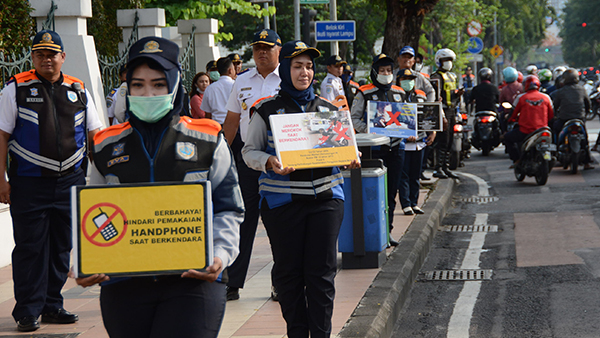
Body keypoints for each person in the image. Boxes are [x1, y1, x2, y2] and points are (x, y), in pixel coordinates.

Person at [76, 36, 244, 338]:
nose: (147, 93)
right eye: (138, 85)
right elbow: (90, 213)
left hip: (194, 282)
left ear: (175, 84)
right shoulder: (105, 146)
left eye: (158, 84)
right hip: (124, 286)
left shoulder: (207, 140)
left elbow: (229, 208)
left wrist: (219, 254)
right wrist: (84, 261)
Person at [242, 39, 360, 338]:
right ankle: (297, 332)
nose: (304, 72)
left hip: (326, 201)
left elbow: (346, 152)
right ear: (284, 69)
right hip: (282, 205)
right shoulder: (265, 110)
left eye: (308, 66)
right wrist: (269, 161)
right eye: (297, 66)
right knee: (289, 275)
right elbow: (248, 152)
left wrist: (349, 159)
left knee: (321, 275)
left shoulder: (328, 110)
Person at [0, 30, 103, 332]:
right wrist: (1, 179)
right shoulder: (16, 89)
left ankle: (52, 305)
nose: (47, 59)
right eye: (40, 54)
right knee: (31, 246)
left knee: (61, 246)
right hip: (28, 181)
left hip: (71, 179)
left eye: (52, 53)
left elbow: (96, 135)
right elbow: (2, 136)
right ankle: (27, 310)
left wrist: (103, 178)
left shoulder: (78, 89)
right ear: (32, 57)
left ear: (63, 57)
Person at [222, 28, 282, 301]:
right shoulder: (242, 81)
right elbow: (233, 121)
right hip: (248, 160)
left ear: (278, 50)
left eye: (267, 47)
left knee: (278, 221)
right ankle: (232, 282)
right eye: (258, 47)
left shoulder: (289, 79)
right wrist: (221, 156)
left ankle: (280, 282)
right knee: (243, 221)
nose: (261, 52)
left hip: (280, 161)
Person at [351, 53, 406, 245]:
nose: (386, 74)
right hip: (374, 149)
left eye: (389, 71)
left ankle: (388, 231)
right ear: (375, 72)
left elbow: (406, 118)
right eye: (382, 70)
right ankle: (372, 231)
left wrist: (411, 130)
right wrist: (369, 130)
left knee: (391, 192)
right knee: (373, 192)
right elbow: (354, 119)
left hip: (396, 148)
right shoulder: (364, 92)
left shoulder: (399, 92)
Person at [396, 68, 435, 215]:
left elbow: (429, 116)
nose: (408, 82)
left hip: (420, 141)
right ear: (398, 80)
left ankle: (415, 202)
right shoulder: (394, 97)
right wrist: (404, 134)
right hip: (402, 142)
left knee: (415, 174)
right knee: (403, 175)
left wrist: (432, 132)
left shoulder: (420, 95)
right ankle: (406, 204)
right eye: (404, 79)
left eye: (411, 79)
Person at [504, 75, 553, 167]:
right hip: (543, 130)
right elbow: (551, 115)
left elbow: (513, 115)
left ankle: (516, 160)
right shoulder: (546, 97)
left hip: (525, 131)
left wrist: (509, 119)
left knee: (507, 138)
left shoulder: (521, 98)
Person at [430, 48, 463, 179]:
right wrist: (441, 114)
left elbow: (451, 95)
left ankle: (446, 167)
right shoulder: (436, 77)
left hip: (451, 110)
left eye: (450, 60)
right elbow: (435, 97)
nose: (448, 63)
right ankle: (438, 167)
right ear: (439, 61)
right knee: (442, 141)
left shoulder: (451, 76)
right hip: (441, 111)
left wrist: (458, 95)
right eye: (446, 60)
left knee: (450, 140)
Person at [551, 68, 594, 169]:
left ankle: (555, 154)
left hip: (564, 119)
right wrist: (586, 113)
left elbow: (555, 106)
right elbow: (588, 104)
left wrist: (555, 115)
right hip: (580, 118)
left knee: (556, 130)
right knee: (585, 139)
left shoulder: (560, 91)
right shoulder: (582, 89)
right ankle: (587, 163)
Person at [201, 57, 237, 125]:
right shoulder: (237, 86)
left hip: (217, 126)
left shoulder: (210, 88)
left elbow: (207, 114)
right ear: (230, 70)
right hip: (235, 126)